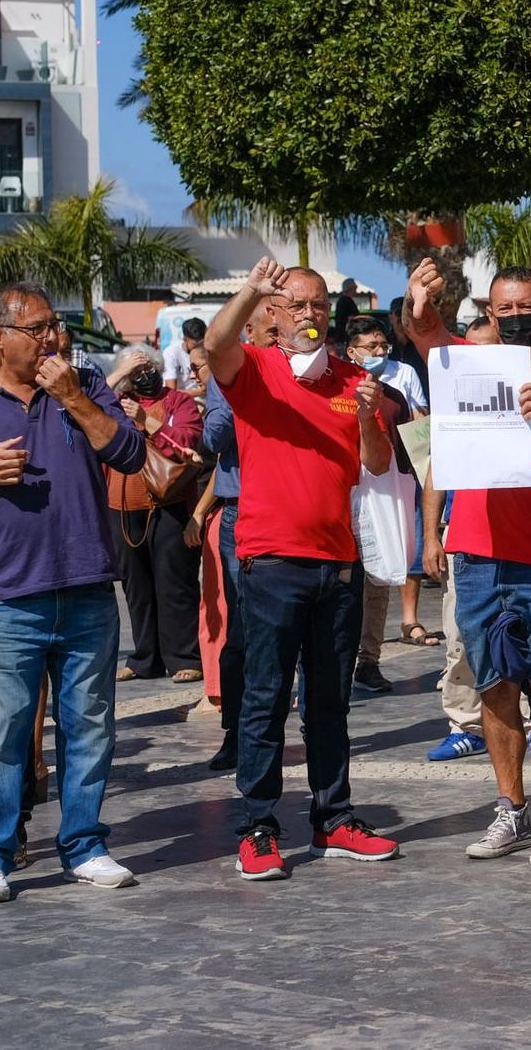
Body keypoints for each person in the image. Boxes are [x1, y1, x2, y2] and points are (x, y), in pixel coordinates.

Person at [206, 257, 400, 882]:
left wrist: (370, 413)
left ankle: (333, 817)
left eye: (319, 306)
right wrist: (250, 287)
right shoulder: (255, 369)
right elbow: (214, 343)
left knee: (329, 701)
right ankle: (258, 825)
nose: (310, 315)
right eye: (296, 305)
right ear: (273, 315)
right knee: (264, 699)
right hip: (272, 560)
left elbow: (374, 464)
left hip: (337, 562)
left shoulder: (351, 379)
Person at [405, 262, 531, 868]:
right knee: (493, 687)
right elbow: (427, 334)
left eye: (526, 309)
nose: (515, 319)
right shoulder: (471, 366)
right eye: (503, 310)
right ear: (489, 313)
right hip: (480, 552)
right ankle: (510, 808)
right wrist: (419, 300)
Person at [0, 282, 146, 903]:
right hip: (11, 596)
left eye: (54, 325)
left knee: (90, 725)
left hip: (89, 587)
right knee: (6, 730)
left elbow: (128, 452)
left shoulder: (83, 386)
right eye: (37, 328)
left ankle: (84, 844)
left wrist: (74, 398)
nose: (53, 337)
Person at [418, 315, 510, 763]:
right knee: (460, 636)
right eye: (468, 349)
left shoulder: (520, 395)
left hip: (518, 535)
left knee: (523, 637)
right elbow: (436, 471)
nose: (476, 357)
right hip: (462, 536)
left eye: (486, 348)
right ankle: (465, 724)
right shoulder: (452, 405)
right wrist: (431, 536)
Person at [196, 302, 278, 771]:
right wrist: (237, 388)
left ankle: (310, 728)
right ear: (246, 331)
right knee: (243, 631)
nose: (276, 338)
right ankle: (236, 733)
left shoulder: (305, 372)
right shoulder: (227, 373)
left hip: (291, 513)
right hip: (241, 513)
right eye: (267, 331)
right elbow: (213, 438)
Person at [104, 344, 205, 686]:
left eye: (148, 367)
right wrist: (116, 380)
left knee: (175, 584)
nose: (143, 375)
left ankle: (184, 657)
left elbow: (188, 441)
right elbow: (81, 411)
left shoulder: (180, 402)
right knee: (136, 587)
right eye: (135, 370)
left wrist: (146, 421)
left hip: (169, 505)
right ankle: (145, 657)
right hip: (122, 506)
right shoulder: (114, 404)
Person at [345, 314, 431, 683]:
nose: (380, 352)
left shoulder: (396, 397)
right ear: (352, 352)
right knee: (345, 585)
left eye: (384, 346)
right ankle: (333, 663)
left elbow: (418, 443)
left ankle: (369, 660)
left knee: (379, 581)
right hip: (346, 496)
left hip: (386, 495)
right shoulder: (337, 392)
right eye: (371, 347)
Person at [161, 317, 205, 391]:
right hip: (179, 400)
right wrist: (200, 392)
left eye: (201, 343)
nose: (199, 348)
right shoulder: (171, 353)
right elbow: (171, 390)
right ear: (185, 339)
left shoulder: (208, 350)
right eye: (195, 345)